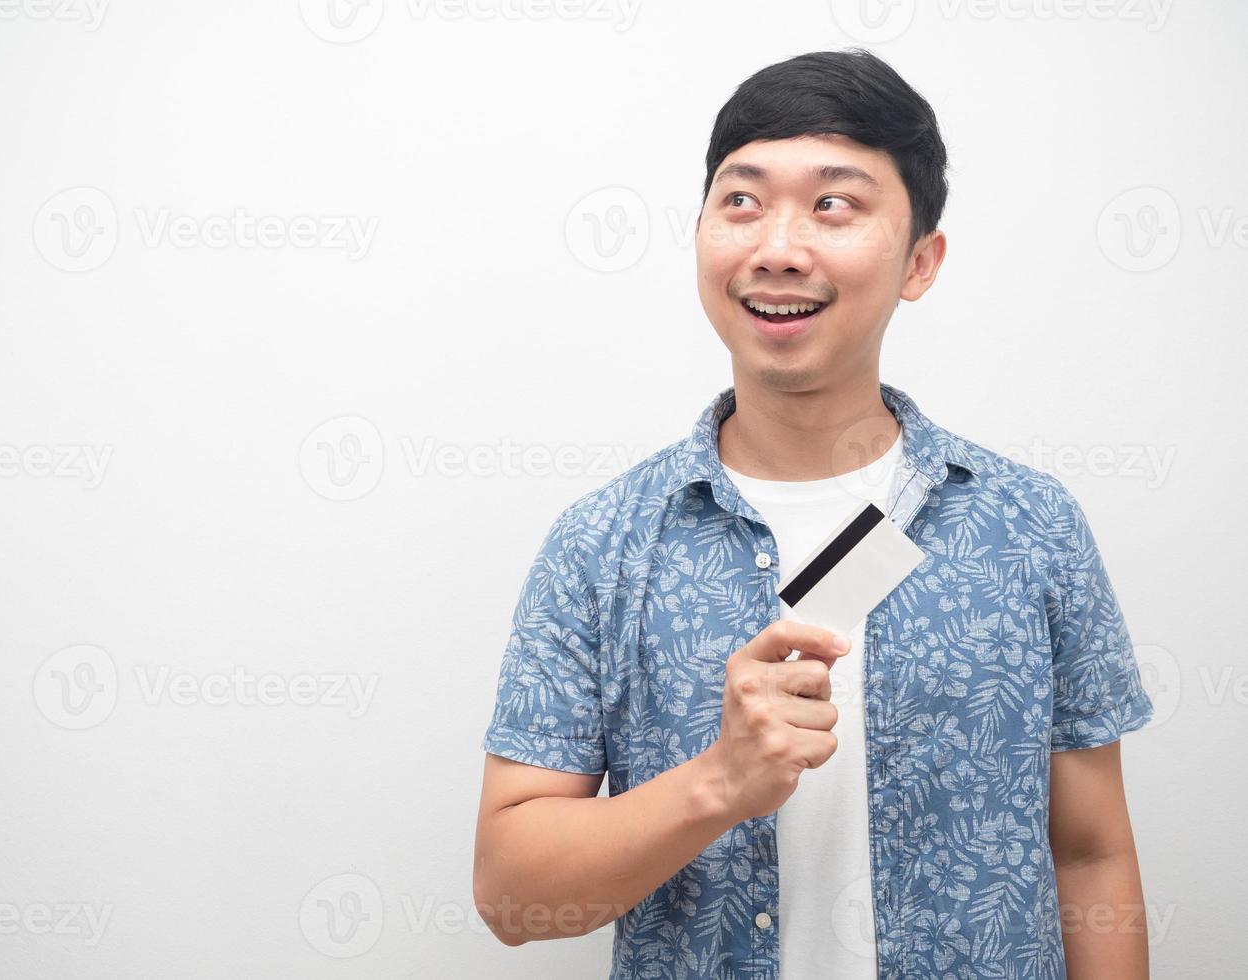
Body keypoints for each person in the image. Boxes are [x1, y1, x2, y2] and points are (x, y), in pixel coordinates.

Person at [473, 47, 1154, 980]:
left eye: (834, 204)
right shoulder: (601, 544)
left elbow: (1090, 855)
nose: (777, 245)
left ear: (920, 262)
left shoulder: (1029, 526)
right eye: (741, 200)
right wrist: (717, 783)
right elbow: (511, 899)